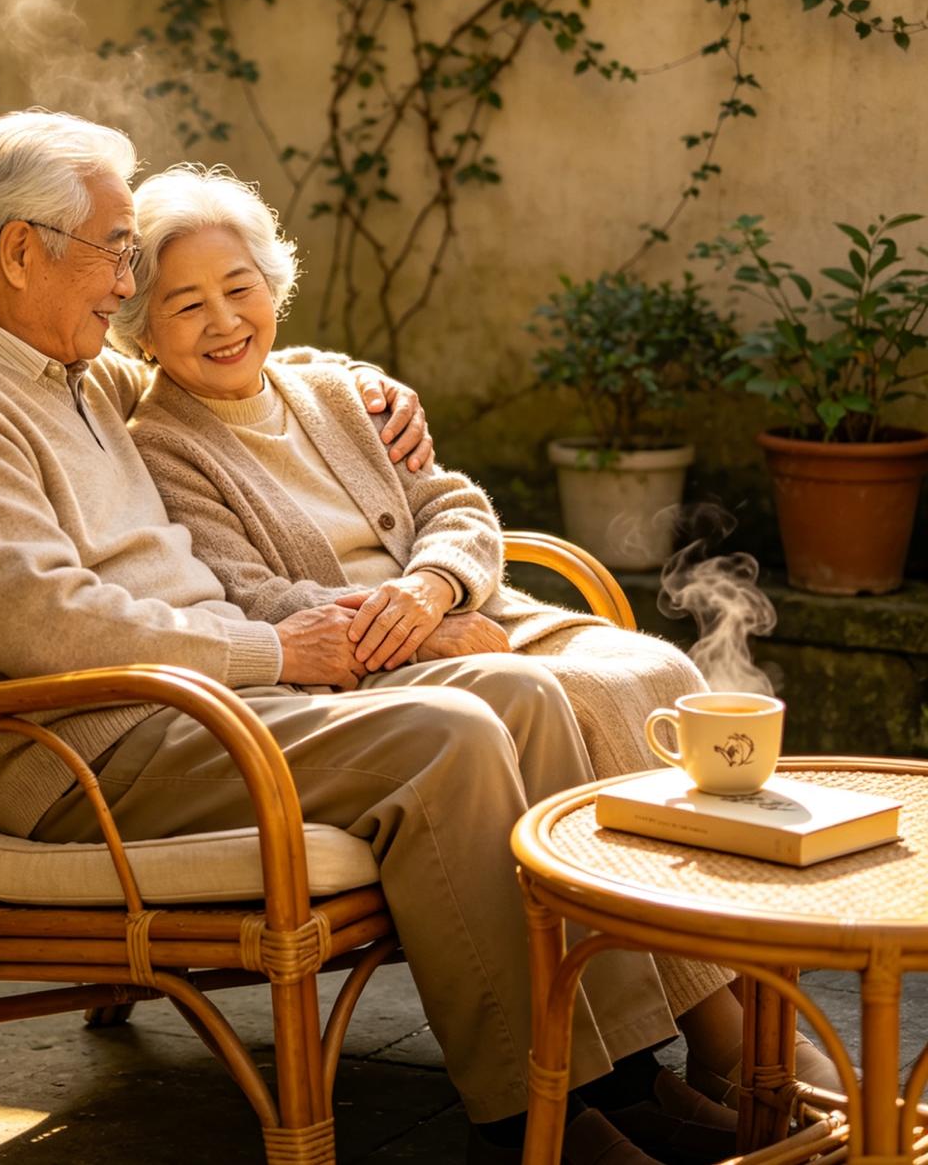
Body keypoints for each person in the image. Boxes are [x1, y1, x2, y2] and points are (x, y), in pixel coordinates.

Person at [0, 110, 726, 1165]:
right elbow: (51, 626)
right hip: (95, 750)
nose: (124, 282)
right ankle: (535, 1125)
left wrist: (358, 385)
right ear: (23, 251)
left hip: (197, 708)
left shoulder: (61, 367)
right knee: (445, 737)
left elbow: (224, 365)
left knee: (522, 697)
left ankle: (622, 1079)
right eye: (114, 251)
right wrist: (277, 653)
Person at [111, 162, 838, 1135]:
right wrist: (410, 622)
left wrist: (436, 584)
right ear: (142, 329)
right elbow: (250, 593)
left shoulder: (334, 389)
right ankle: (721, 1035)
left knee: (657, 672)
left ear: (272, 284)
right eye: (185, 304)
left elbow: (452, 505)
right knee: (571, 700)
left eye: (238, 287)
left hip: (462, 606)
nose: (222, 320)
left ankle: (712, 1013)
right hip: (362, 656)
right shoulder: (161, 444)